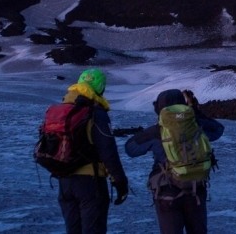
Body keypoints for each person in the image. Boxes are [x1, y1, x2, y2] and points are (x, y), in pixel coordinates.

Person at [125, 89, 224, 234]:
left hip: (167, 193)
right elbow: (218, 130)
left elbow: (130, 149)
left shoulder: (156, 131)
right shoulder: (197, 125)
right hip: (195, 189)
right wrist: (194, 113)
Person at [58, 68, 129, 233]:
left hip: (64, 180)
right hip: (90, 182)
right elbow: (107, 150)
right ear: (100, 87)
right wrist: (120, 181)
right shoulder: (95, 112)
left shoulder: (64, 108)